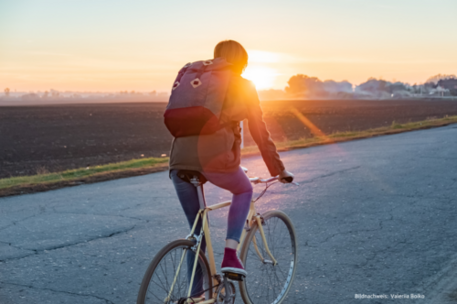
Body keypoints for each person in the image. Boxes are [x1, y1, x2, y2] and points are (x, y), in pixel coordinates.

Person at [168, 40, 294, 297]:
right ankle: (230, 256)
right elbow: (260, 132)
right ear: (242, 63)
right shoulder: (243, 85)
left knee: (197, 236)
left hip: (179, 162)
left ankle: (195, 297)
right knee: (244, 189)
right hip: (215, 160)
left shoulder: (198, 82)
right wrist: (278, 169)